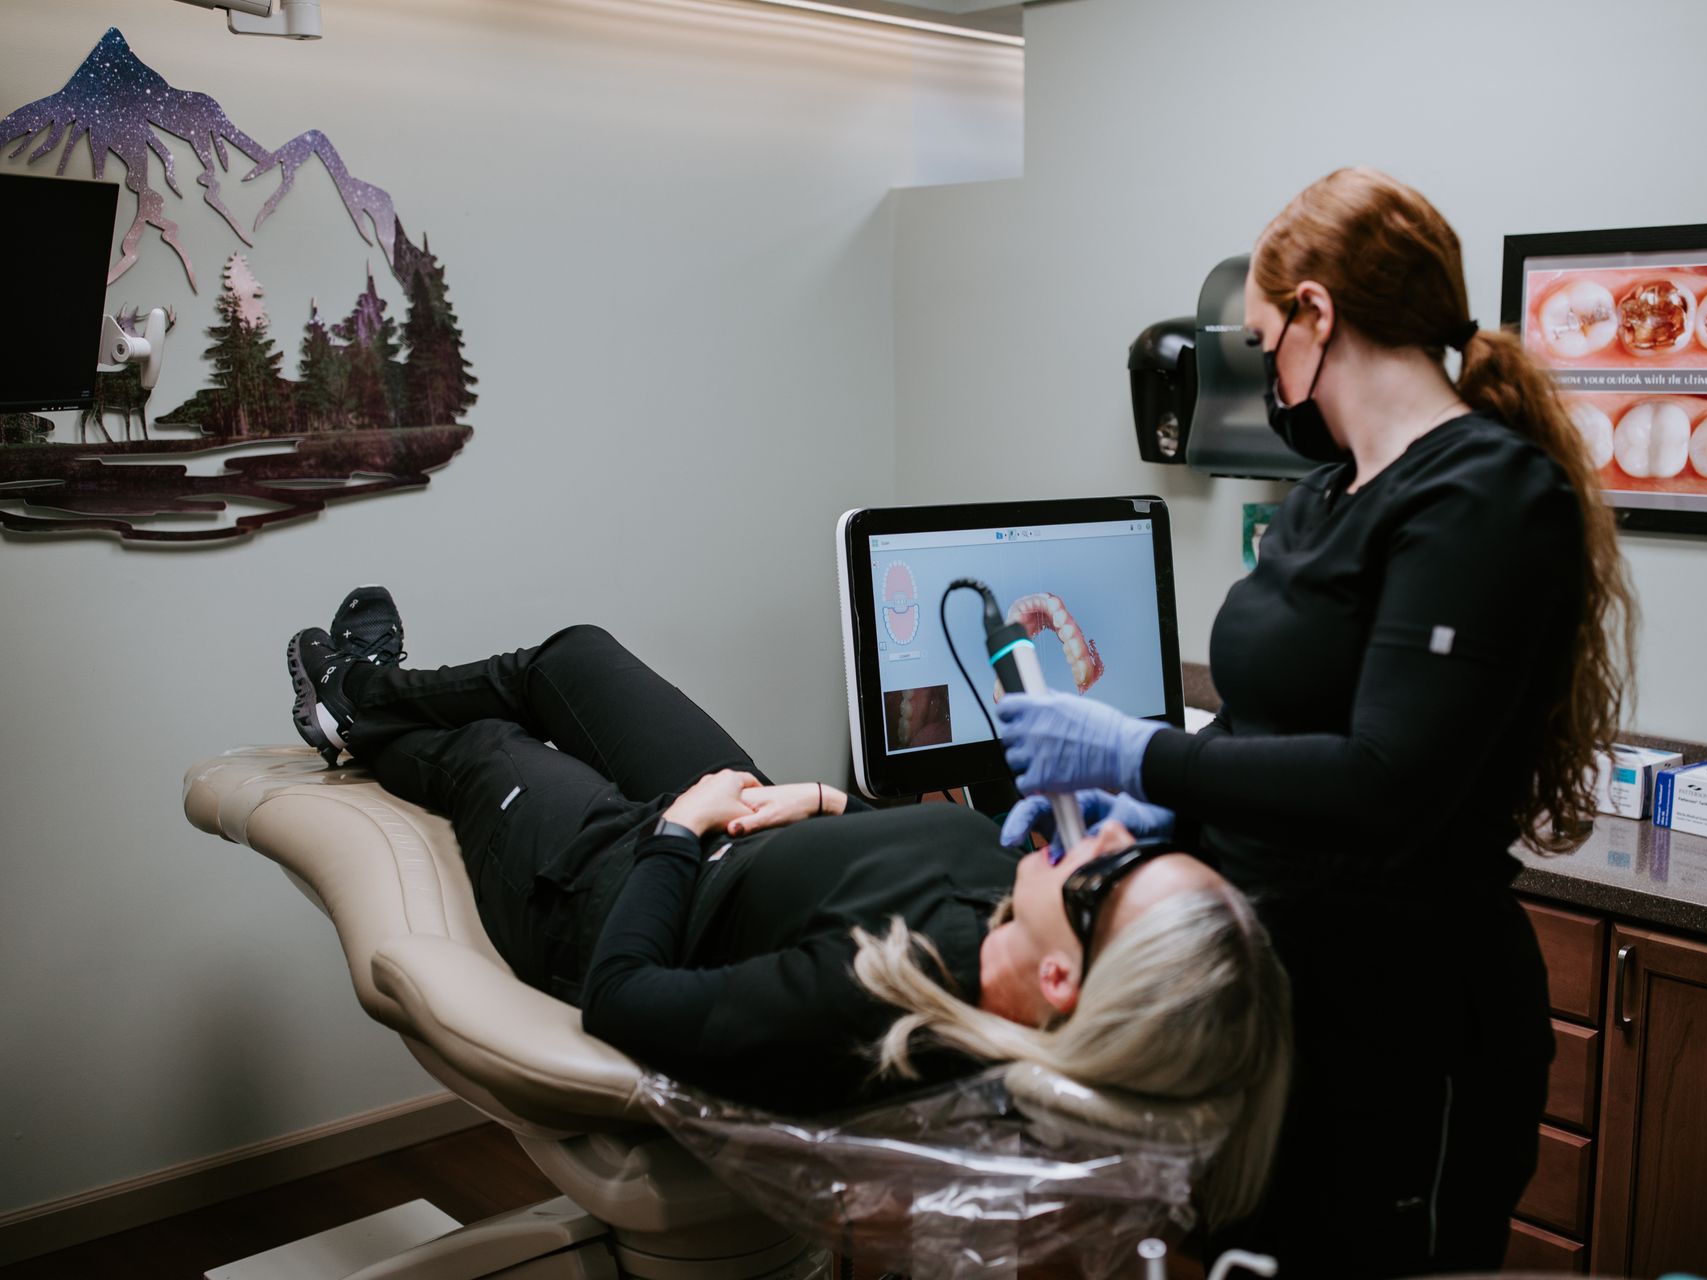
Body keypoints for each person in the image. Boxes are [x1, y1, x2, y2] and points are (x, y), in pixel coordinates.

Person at [997, 167, 1636, 1274]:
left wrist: (1137, 752)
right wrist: (1152, 807)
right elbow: (1263, 725)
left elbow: (1388, 779)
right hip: (1275, 995)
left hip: (1404, 1022)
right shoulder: (1322, 498)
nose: (1266, 376)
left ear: (1317, 314)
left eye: (1261, 342)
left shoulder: (1484, 495)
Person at [284, 588, 1292, 1225]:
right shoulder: (1015, 916)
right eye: (1143, 847)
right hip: (754, 822)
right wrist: (825, 800)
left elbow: (623, 995)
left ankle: (358, 707)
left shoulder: (887, 996)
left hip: (613, 891)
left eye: (1111, 876)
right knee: (572, 657)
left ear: (1062, 978)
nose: (1108, 837)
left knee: (488, 747)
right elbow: (896, 860)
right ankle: (368, 694)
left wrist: (676, 833)